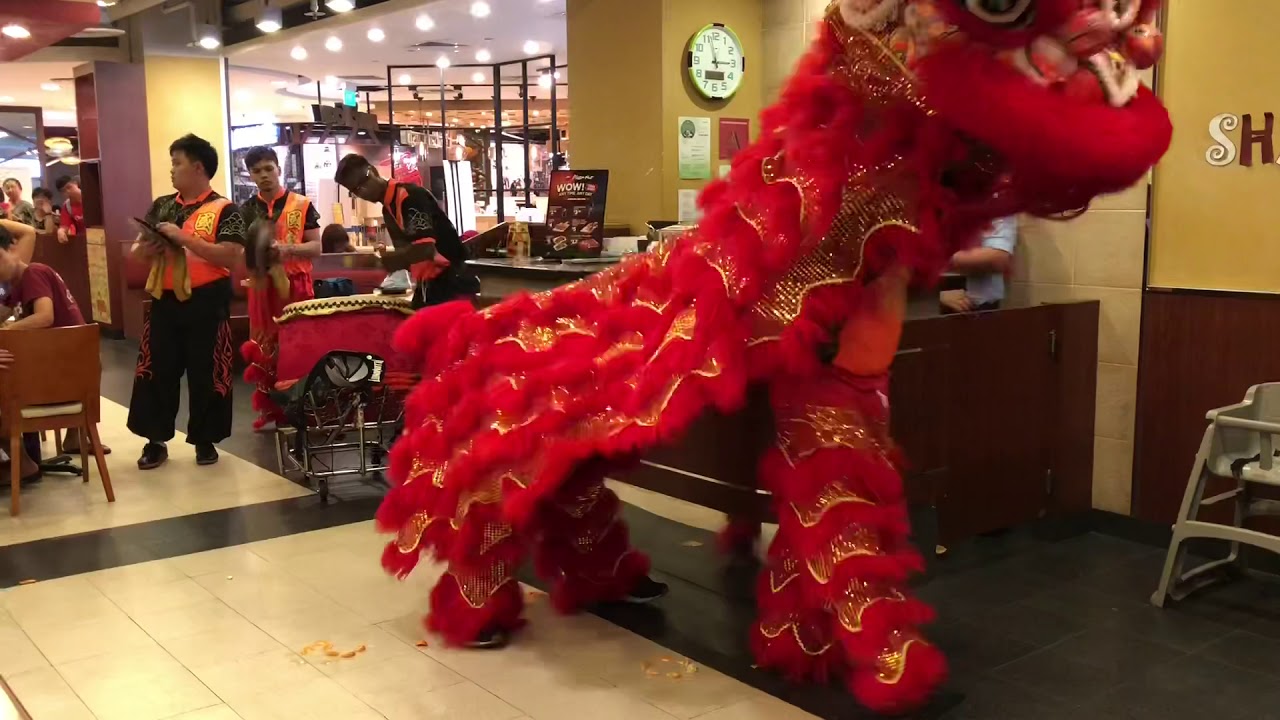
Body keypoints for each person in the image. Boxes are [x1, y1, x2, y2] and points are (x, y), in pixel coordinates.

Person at [373, 0, 1173, 714]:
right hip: (790, 334)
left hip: (843, 347)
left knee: (827, 446)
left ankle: (786, 617)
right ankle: (527, 575)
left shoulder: (916, 151)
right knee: (567, 391)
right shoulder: (856, 121)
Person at [127, 134, 246, 470]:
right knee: (156, 370)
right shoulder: (162, 204)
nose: (172, 170)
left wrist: (185, 240)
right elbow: (138, 251)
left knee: (208, 372)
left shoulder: (225, 208)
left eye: (177, 163)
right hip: (164, 300)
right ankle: (155, 440)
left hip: (207, 301)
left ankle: (205, 441)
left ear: (198, 167)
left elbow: (232, 257)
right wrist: (149, 248)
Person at [238, 146, 321, 430]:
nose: (263, 175)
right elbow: (242, 252)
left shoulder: (302, 204)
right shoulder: (246, 210)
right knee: (263, 346)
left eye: (268, 169)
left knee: (298, 345)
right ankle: (270, 410)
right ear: (250, 175)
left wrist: (284, 249)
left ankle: (302, 407)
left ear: (279, 169)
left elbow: (316, 247)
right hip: (262, 288)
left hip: (297, 285)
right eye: (257, 171)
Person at [333, 154, 477, 306]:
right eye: (355, 190)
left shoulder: (410, 197)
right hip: (431, 286)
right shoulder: (388, 211)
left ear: (373, 170)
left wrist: (383, 261)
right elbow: (407, 255)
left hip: (455, 283)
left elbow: (425, 250)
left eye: (363, 182)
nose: (362, 192)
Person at [940, 215, 1016, 313]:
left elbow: (997, 258)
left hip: (972, 306)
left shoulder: (996, 204)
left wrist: (931, 260)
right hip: (923, 300)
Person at [55, 176, 85, 244]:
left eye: (69, 187)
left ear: (76, 184)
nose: (68, 192)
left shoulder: (92, 198)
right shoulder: (67, 206)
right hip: (81, 240)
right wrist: (60, 232)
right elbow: (64, 226)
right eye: (63, 191)